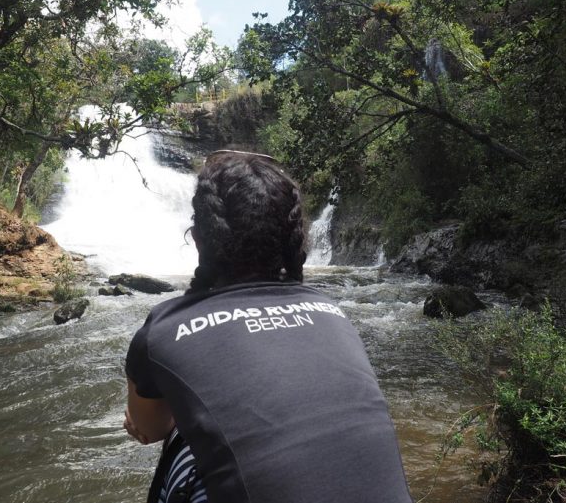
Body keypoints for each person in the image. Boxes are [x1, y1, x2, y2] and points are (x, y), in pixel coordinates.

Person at [124, 150, 413, 503]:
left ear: (199, 239)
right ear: (296, 239)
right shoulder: (332, 310)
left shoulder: (164, 328)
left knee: (185, 445)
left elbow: (150, 429)